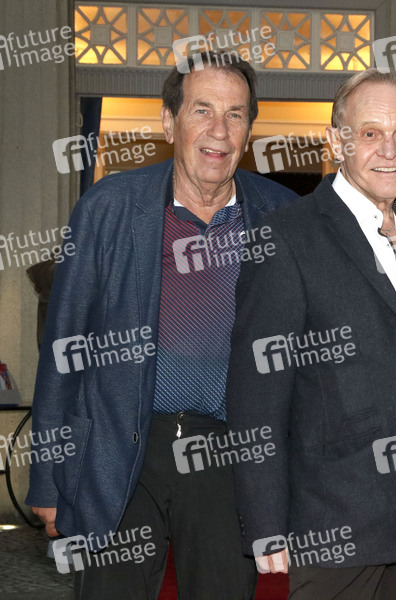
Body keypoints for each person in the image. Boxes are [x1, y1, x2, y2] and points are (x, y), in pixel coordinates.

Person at [25, 51, 298, 599]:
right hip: (120, 447)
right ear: (170, 122)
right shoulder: (108, 209)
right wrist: (47, 479)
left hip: (228, 454)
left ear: (249, 130)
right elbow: (64, 347)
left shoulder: (283, 216)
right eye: (202, 110)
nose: (219, 130)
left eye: (236, 114)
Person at [225, 69, 396, 600]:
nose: (389, 150)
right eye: (370, 133)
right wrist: (265, 520)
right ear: (337, 142)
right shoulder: (285, 238)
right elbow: (256, 395)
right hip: (336, 511)